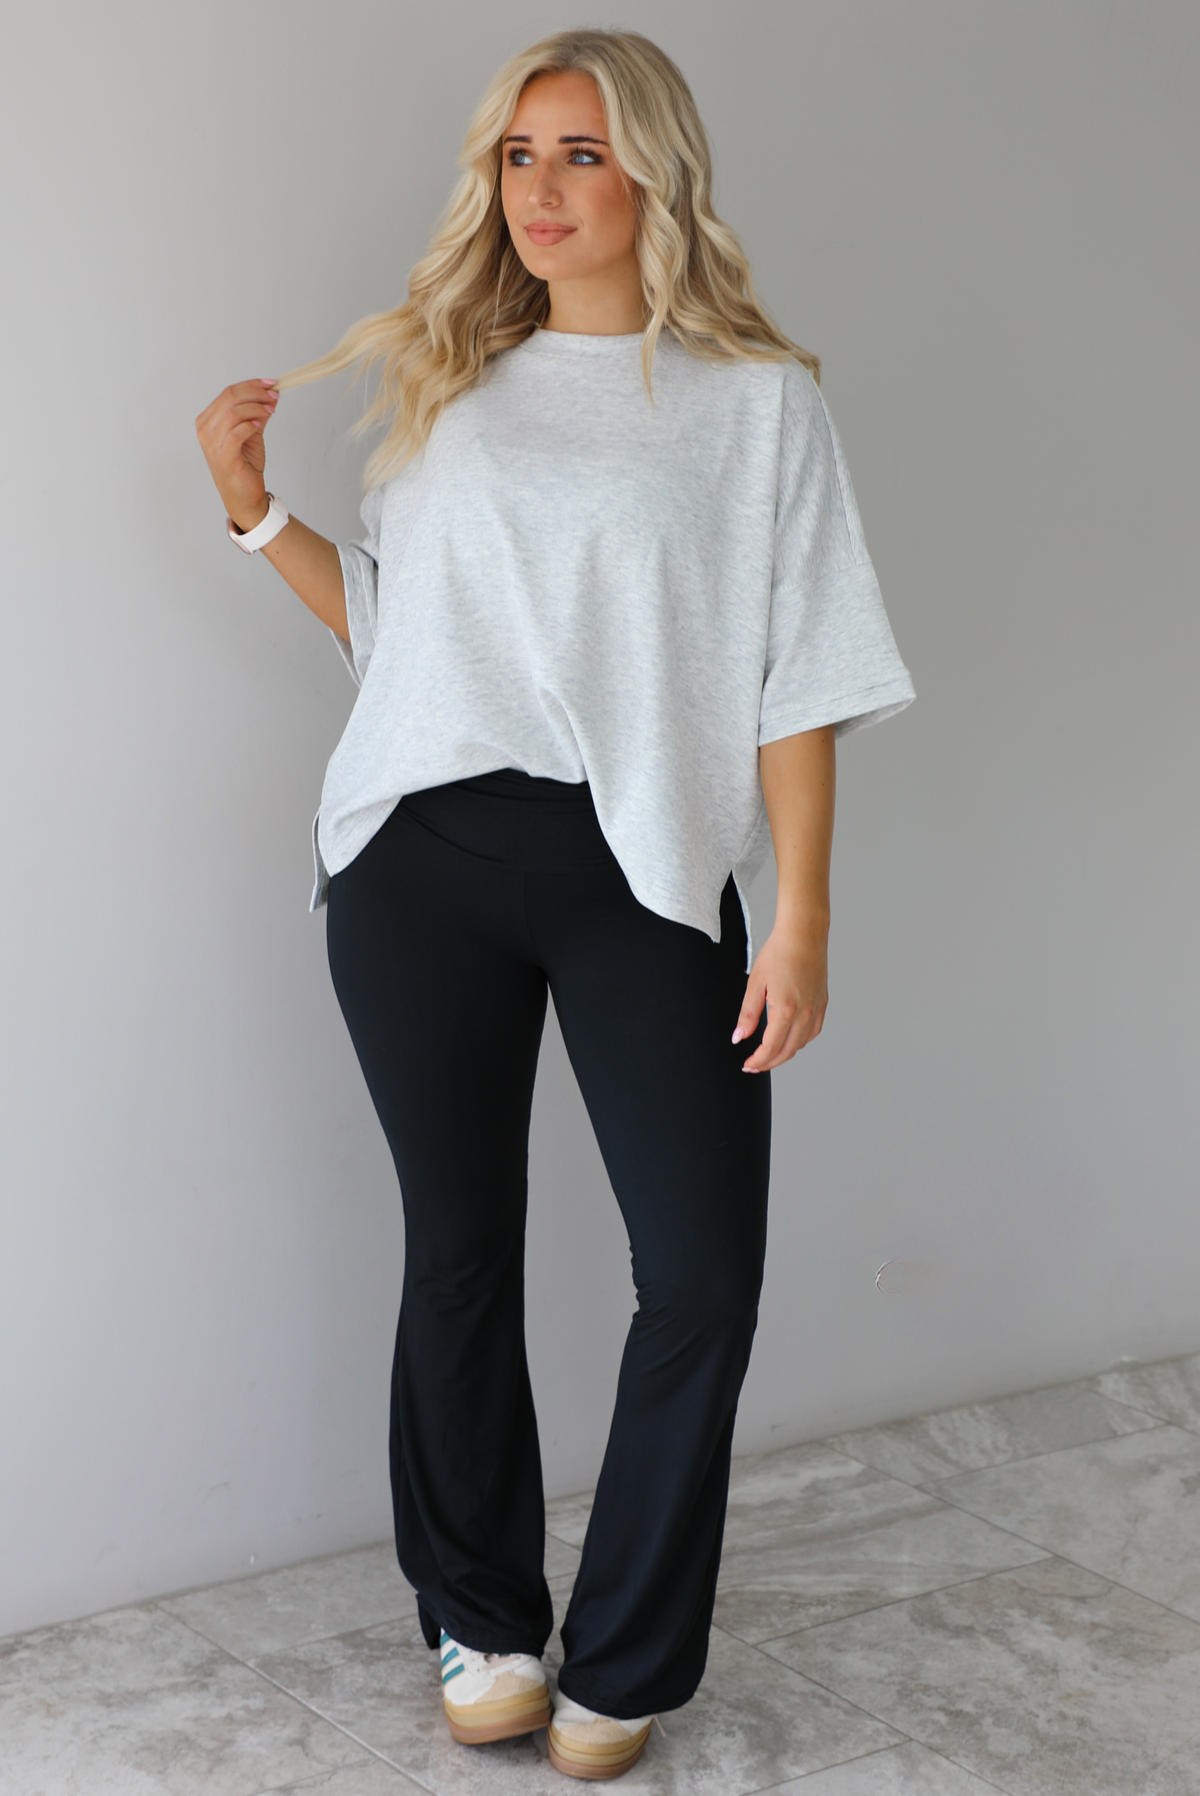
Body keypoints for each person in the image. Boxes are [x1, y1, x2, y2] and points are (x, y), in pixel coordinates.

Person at [195, 27, 914, 1781]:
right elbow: (413, 652)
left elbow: (798, 681)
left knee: (702, 1278)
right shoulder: (450, 385)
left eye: (580, 155)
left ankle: (628, 1661)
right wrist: (251, 518)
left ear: (653, 173)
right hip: (418, 863)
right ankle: (484, 1622)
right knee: (458, 1256)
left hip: (643, 873)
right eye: (520, 157)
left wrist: (801, 918)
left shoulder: (758, 406)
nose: (541, 190)